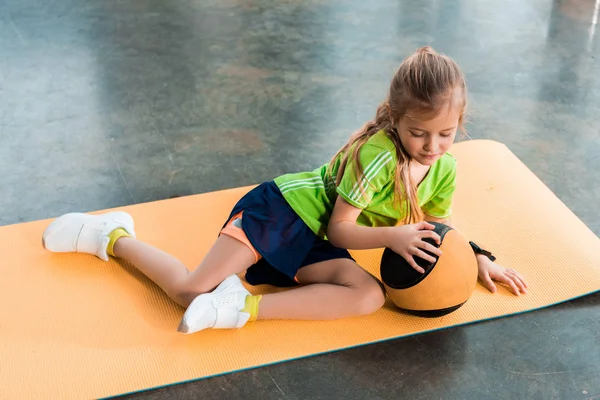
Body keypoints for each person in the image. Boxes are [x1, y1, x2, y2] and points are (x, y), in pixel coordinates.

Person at [42, 46, 528, 334]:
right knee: (191, 291)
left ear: (458, 125)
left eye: (445, 134)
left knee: (368, 296)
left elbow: (434, 225)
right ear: (396, 119)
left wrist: (477, 257)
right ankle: (110, 235)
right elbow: (342, 231)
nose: (431, 146)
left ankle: (244, 308)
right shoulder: (377, 155)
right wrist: (392, 238)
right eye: (419, 132)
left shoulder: (444, 168)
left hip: (314, 237)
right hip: (282, 209)